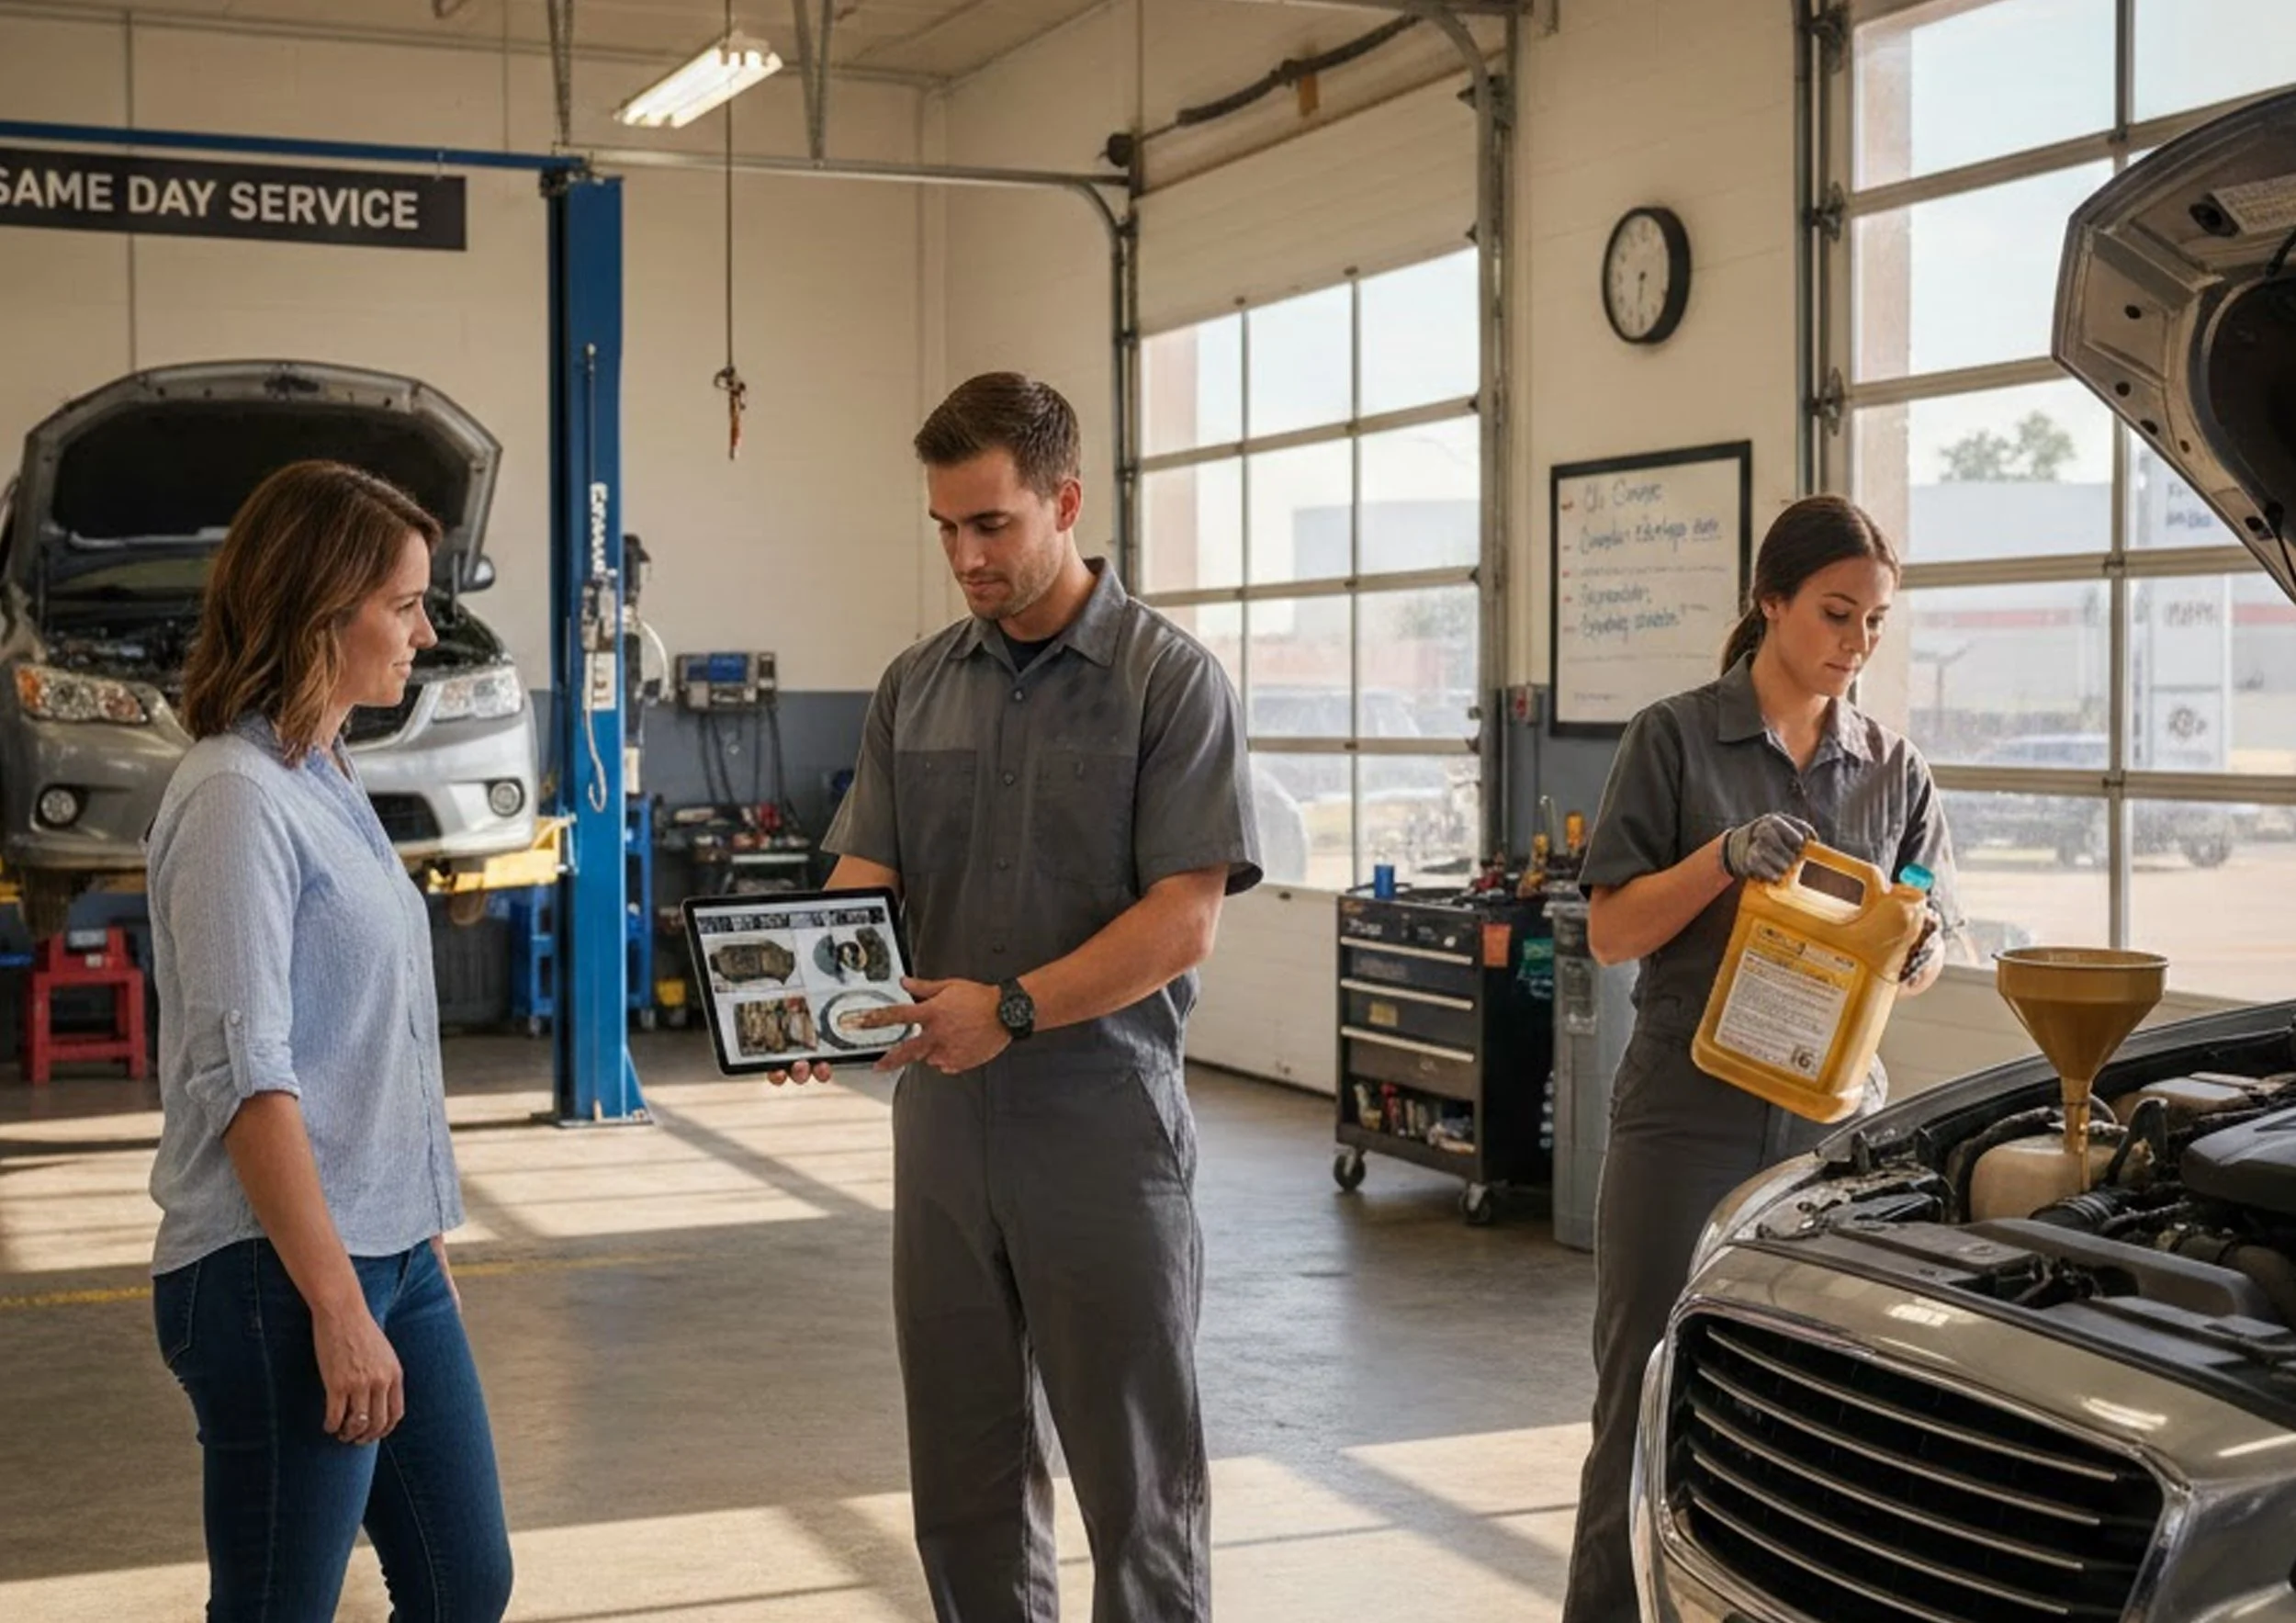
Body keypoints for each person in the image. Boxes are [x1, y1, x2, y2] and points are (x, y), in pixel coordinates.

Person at [789, 373, 1259, 1623]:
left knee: (1137, 1478)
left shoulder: (1171, 682)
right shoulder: (916, 683)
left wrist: (1006, 1008)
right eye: (944, 527)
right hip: (942, 1130)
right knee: (963, 1469)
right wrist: (805, 996)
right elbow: (866, 882)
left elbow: (1184, 917)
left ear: (1063, 501)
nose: (964, 555)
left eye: (989, 523)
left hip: (1100, 1125)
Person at [1559, 495, 1961, 1623]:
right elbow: (1612, 931)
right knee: (1641, 1390)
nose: (1855, 642)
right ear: (1769, 601)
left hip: (1834, 1134)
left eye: (1875, 622)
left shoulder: (1892, 768)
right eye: (1836, 613)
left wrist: (1919, 940)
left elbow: (1926, 946)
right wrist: (1721, 859)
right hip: (1684, 1118)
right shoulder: (1674, 737)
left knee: (1816, 1409)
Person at [146, 460, 513, 1623]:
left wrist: (417, 1228)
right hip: (277, 1272)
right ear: (320, 609)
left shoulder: (326, 771)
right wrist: (338, 1304)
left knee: (465, 1584)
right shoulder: (234, 796)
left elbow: (379, 1038)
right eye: (403, 606)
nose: (424, 631)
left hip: (389, 1251)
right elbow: (249, 1078)